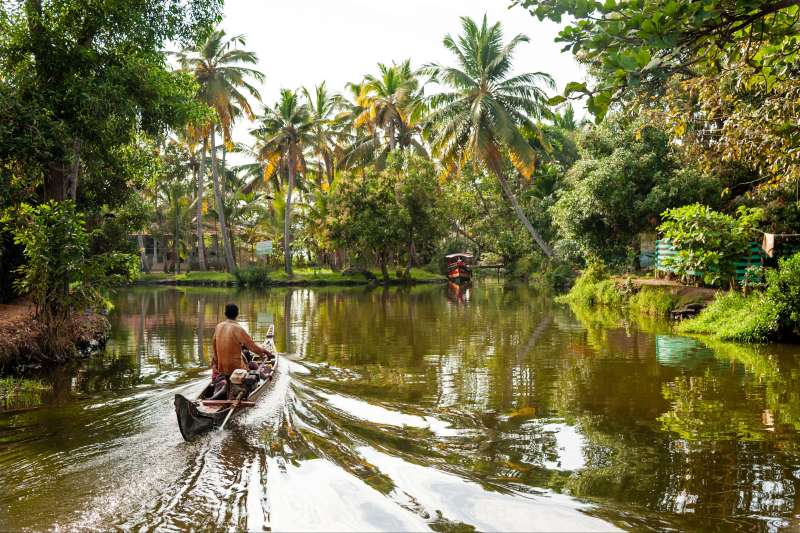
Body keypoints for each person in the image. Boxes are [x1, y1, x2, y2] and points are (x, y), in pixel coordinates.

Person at [211, 303, 271, 379]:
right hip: (237, 370)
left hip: (221, 370)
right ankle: (264, 377)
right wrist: (265, 352)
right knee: (253, 364)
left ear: (225, 314)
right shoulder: (238, 328)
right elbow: (253, 348)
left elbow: (214, 347)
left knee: (244, 354)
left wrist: (215, 364)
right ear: (237, 314)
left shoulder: (218, 326)